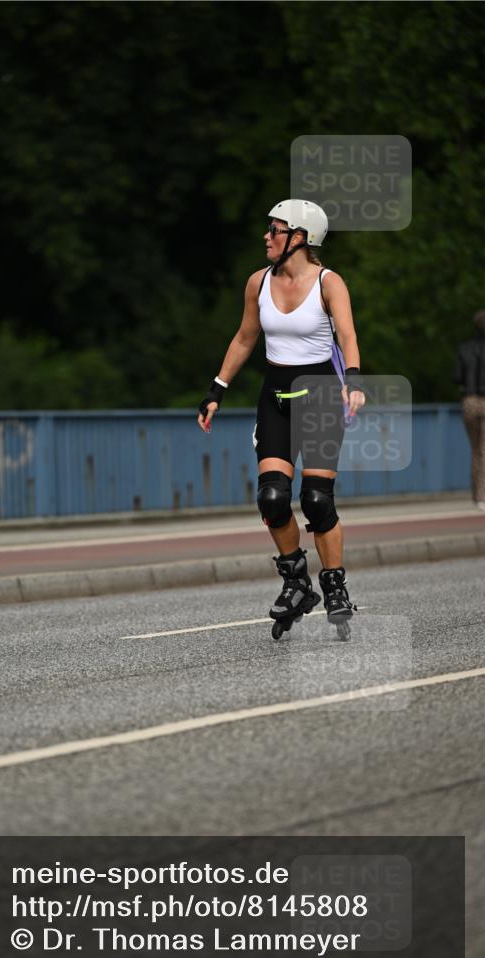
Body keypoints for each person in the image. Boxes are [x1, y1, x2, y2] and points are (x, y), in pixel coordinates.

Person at [198, 199, 365, 637]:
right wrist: (217, 390)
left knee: (316, 500)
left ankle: (334, 585)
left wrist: (354, 379)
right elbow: (244, 337)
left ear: (300, 237)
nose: (266, 237)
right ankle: (296, 583)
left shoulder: (329, 282)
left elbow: (347, 334)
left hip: (322, 397)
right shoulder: (258, 282)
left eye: (275, 230)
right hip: (275, 396)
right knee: (272, 497)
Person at [453, 310, 485, 511]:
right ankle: (482, 496)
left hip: (470, 400)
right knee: (484, 450)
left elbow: (457, 377)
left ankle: (477, 496)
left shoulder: (465, 349)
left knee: (476, 449)